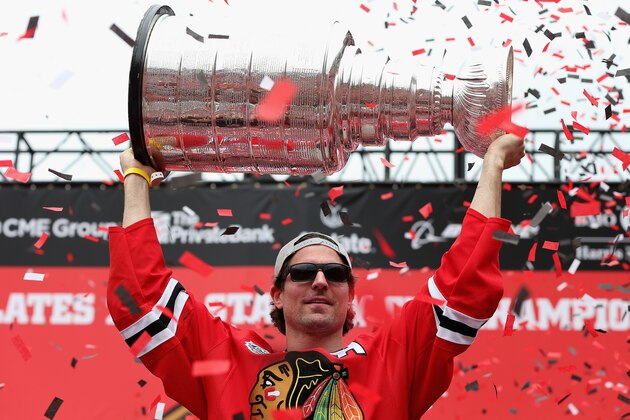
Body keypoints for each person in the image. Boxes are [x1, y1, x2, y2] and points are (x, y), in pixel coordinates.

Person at [107, 133, 525, 419]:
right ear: (276, 293)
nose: (320, 282)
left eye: (336, 274)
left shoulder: (391, 360)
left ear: (350, 294)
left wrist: (493, 165)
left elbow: (464, 285)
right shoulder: (227, 361)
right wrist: (137, 178)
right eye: (303, 273)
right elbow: (142, 299)